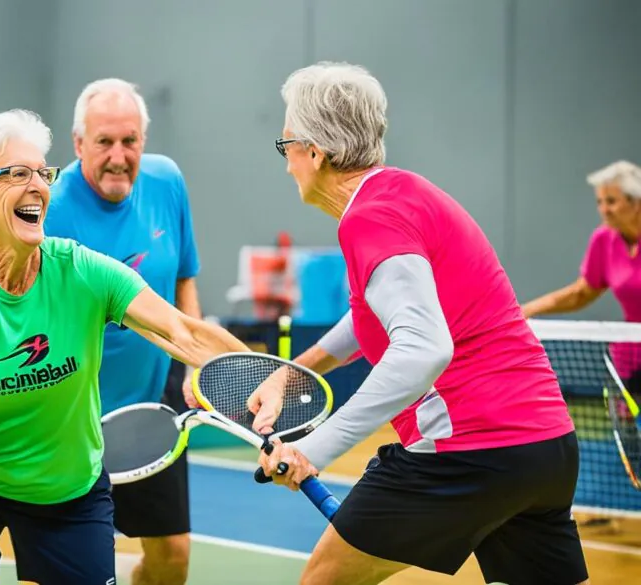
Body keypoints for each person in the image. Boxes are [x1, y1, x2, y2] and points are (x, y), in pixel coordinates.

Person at [0, 109, 250, 585]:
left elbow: (183, 331)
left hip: (65, 488)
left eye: (41, 173)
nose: (37, 186)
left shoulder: (83, 272)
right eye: (16, 174)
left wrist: (263, 380)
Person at [247, 62, 589, 585]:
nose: (286, 162)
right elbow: (373, 312)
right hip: (544, 450)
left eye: (285, 145)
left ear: (315, 152)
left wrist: (311, 447)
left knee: (324, 580)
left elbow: (423, 349)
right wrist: (297, 370)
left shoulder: (369, 219)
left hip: (468, 452)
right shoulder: (402, 194)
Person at [44, 78, 200, 585]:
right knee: (82, 565)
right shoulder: (48, 207)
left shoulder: (167, 182)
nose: (118, 156)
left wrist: (195, 361)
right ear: (77, 144)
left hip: (155, 409)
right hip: (71, 419)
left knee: (172, 558)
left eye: (129, 141)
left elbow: (183, 278)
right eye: (104, 142)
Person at [522, 160, 641, 393]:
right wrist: (525, 310)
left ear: (635, 203)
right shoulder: (604, 240)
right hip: (632, 356)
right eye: (600, 202)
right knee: (630, 429)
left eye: (611, 201)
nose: (603, 209)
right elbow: (581, 293)